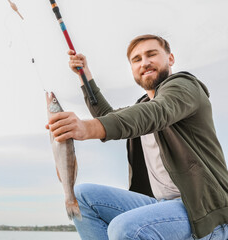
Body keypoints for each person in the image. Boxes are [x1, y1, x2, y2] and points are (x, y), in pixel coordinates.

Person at [46, 34, 228, 240]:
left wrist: (86, 128)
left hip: (204, 211)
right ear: (132, 69)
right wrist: (84, 75)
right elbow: (111, 118)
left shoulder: (185, 87)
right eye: (137, 59)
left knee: (125, 228)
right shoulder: (143, 107)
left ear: (170, 59)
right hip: (161, 207)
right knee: (82, 197)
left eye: (152, 54)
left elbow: (157, 113)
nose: (145, 62)